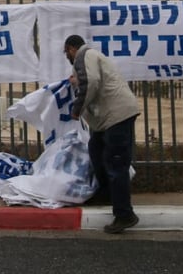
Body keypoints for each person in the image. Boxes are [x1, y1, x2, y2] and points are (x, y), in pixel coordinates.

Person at [64, 34, 141, 234]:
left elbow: (91, 82)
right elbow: (89, 80)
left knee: (116, 163)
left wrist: (76, 108)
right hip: (108, 119)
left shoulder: (83, 55)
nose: (68, 57)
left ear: (71, 49)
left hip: (117, 116)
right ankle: (107, 194)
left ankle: (125, 214)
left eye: (66, 53)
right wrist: (76, 82)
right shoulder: (92, 57)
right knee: (96, 149)